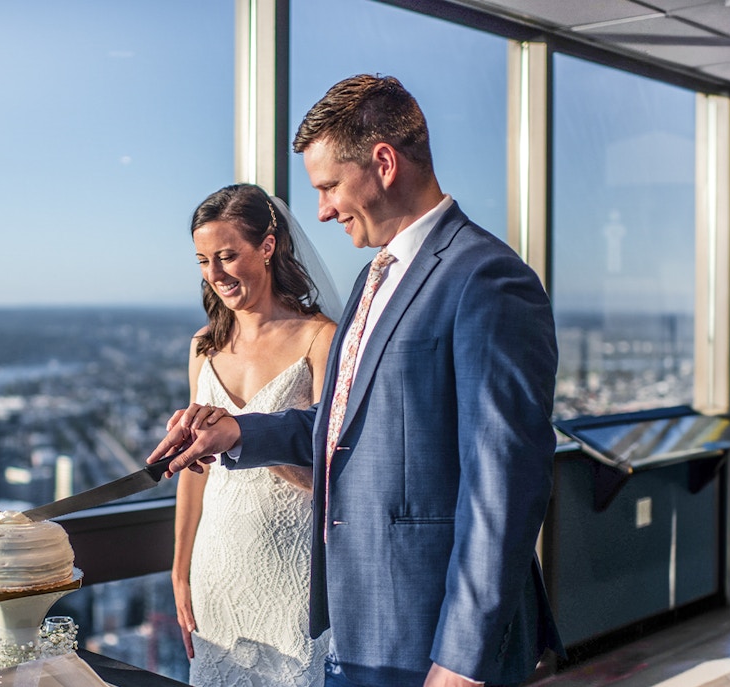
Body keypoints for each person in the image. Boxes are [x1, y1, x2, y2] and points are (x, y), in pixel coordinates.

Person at [149, 75, 564, 687]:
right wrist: (237, 431)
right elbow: (341, 428)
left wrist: (461, 658)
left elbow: (505, 484)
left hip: (430, 640)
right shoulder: (377, 276)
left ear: (384, 163)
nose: (321, 210)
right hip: (355, 627)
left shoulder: (489, 280)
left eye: (329, 187)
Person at [174, 183, 339, 687]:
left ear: (268, 246)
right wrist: (180, 572)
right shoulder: (204, 346)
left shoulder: (319, 337)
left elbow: (336, 472)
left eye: (227, 256)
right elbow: (193, 472)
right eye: (204, 260)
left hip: (293, 569)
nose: (215, 274)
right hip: (216, 567)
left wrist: (246, 440)